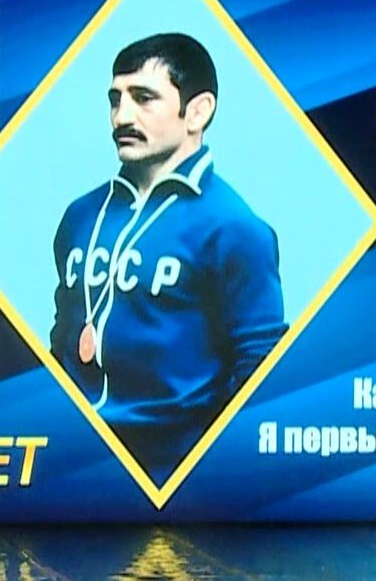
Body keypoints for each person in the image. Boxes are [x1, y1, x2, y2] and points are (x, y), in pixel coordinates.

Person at [50, 33, 285, 482]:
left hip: (176, 480)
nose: (122, 116)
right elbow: (62, 340)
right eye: (115, 99)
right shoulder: (80, 216)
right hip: (73, 473)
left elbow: (260, 374)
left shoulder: (234, 227)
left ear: (198, 111)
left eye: (143, 98)